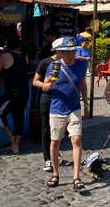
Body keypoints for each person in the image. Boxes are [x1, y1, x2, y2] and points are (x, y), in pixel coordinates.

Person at [42, 36, 88, 190]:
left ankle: (76, 177)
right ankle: (55, 174)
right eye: (66, 52)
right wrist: (49, 84)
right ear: (60, 52)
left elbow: (82, 83)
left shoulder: (81, 65)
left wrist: (86, 103)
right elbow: (46, 87)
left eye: (73, 52)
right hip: (57, 109)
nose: (70, 55)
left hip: (74, 108)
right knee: (55, 141)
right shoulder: (55, 67)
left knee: (76, 140)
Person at [0, 36, 29, 154]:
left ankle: (11, 137)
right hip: (24, 92)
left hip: (12, 93)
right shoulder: (25, 56)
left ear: (8, 46)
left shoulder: (5, 56)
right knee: (19, 118)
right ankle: (16, 146)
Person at [33, 37, 60, 172]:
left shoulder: (69, 63)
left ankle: (55, 151)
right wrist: (45, 85)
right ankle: (47, 158)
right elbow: (35, 81)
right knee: (46, 129)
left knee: (59, 129)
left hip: (62, 100)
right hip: (48, 99)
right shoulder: (46, 63)